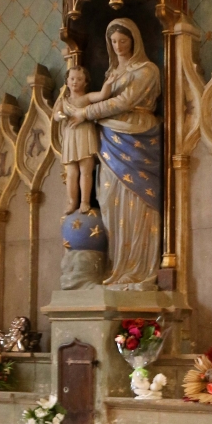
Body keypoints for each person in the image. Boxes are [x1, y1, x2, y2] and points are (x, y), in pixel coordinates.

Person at [67, 18, 162, 289]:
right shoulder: (111, 75)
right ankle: (117, 267)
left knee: (138, 204)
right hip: (109, 141)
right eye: (114, 41)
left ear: (134, 41)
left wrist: (84, 113)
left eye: (123, 40)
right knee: (109, 201)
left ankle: (139, 269)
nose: (118, 46)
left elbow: (124, 102)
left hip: (138, 140)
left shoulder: (147, 70)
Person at [54, 65, 114, 213]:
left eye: (79, 79)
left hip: (84, 136)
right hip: (70, 136)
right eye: (72, 78)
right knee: (71, 173)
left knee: (86, 171)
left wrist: (108, 84)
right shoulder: (63, 101)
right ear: (67, 81)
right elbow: (56, 115)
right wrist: (61, 116)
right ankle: (72, 202)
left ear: (85, 82)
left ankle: (84, 201)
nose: (75, 82)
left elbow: (102, 96)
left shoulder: (87, 98)